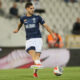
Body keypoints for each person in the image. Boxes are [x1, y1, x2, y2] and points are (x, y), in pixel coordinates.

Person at [13, 2, 55, 78]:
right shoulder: (23, 18)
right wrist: (17, 30)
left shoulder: (38, 17)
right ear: (27, 9)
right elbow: (20, 24)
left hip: (38, 39)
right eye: (31, 8)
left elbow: (46, 26)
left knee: (37, 56)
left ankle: (35, 72)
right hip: (29, 39)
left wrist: (52, 34)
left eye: (33, 8)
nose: (33, 10)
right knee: (31, 51)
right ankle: (38, 62)